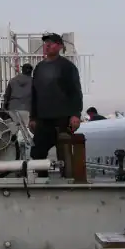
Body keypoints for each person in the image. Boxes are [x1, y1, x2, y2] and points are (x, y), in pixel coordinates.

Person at [29, 33, 83, 162]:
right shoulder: (39, 68)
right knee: (37, 153)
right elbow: (35, 93)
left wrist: (75, 115)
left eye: (51, 43)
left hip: (63, 117)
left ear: (59, 46)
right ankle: (40, 180)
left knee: (64, 153)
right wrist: (33, 117)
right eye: (45, 43)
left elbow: (75, 91)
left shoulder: (67, 67)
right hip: (43, 118)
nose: (47, 45)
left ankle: (67, 179)